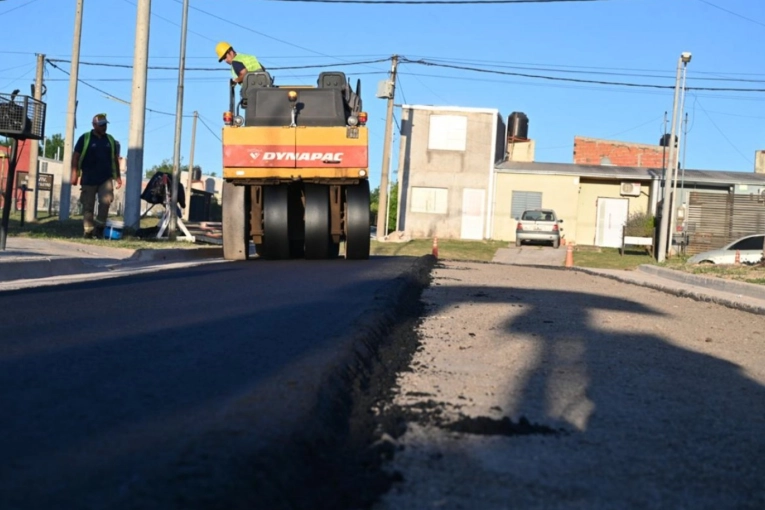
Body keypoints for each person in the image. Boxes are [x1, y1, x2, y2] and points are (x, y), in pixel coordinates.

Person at [71, 113, 122, 238]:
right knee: (88, 206)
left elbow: (115, 159)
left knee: (106, 202)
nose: (104, 127)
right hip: (89, 178)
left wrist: (118, 177)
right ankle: (88, 231)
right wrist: (74, 174)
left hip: (105, 178)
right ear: (94, 125)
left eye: (105, 124)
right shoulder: (85, 138)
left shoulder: (110, 140)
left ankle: (99, 229)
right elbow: (76, 156)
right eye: (101, 125)